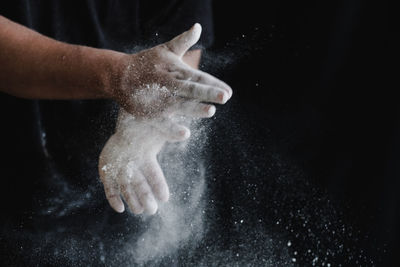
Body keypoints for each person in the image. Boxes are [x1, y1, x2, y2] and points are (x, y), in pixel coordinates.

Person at [0, 1, 231, 218]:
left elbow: (183, 40)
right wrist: (117, 76)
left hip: (110, 188)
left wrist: (155, 109)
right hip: (12, 178)